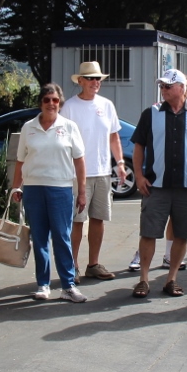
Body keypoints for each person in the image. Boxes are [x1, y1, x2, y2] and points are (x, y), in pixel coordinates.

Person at [130, 68, 187, 298]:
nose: (163, 89)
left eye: (168, 86)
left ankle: (172, 278)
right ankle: (144, 280)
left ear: (183, 89)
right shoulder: (151, 113)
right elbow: (139, 146)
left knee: (182, 234)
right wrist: (138, 176)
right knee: (148, 233)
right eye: (162, 86)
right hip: (156, 186)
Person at [12, 83, 88, 303]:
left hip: (61, 188)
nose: (51, 104)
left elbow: (80, 161)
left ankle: (68, 286)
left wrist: (81, 192)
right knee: (39, 238)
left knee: (62, 238)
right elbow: (20, 160)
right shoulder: (29, 127)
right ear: (41, 103)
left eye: (55, 100)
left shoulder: (70, 126)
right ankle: (43, 284)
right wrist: (17, 186)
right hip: (34, 188)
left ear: (60, 103)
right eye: (47, 100)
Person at [59, 61, 126, 281]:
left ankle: (93, 264)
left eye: (98, 79)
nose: (95, 82)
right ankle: (73, 266)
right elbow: (63, 140)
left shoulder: (107, 105)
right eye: (90, 78)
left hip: (103, 171)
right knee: (78, 220)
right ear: (80, 81)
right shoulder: (69, 106)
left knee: (98, 219)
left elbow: (114, 136)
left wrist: (121, 164)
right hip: (78, 174)